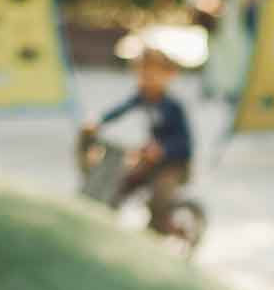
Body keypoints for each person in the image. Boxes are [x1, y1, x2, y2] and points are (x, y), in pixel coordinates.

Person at [81, 47, 193, 235]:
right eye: (142, 73)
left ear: (167, 76)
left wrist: (163, 149)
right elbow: (120, 111)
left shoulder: (172, 107)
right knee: (119, 185)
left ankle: (167, 231)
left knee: (159, 198)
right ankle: (106, 225)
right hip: (147, 159)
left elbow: (184, 142)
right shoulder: (141, 98)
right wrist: (99, 123)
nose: (146, 79)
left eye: (152, 74)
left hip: (173, 164)